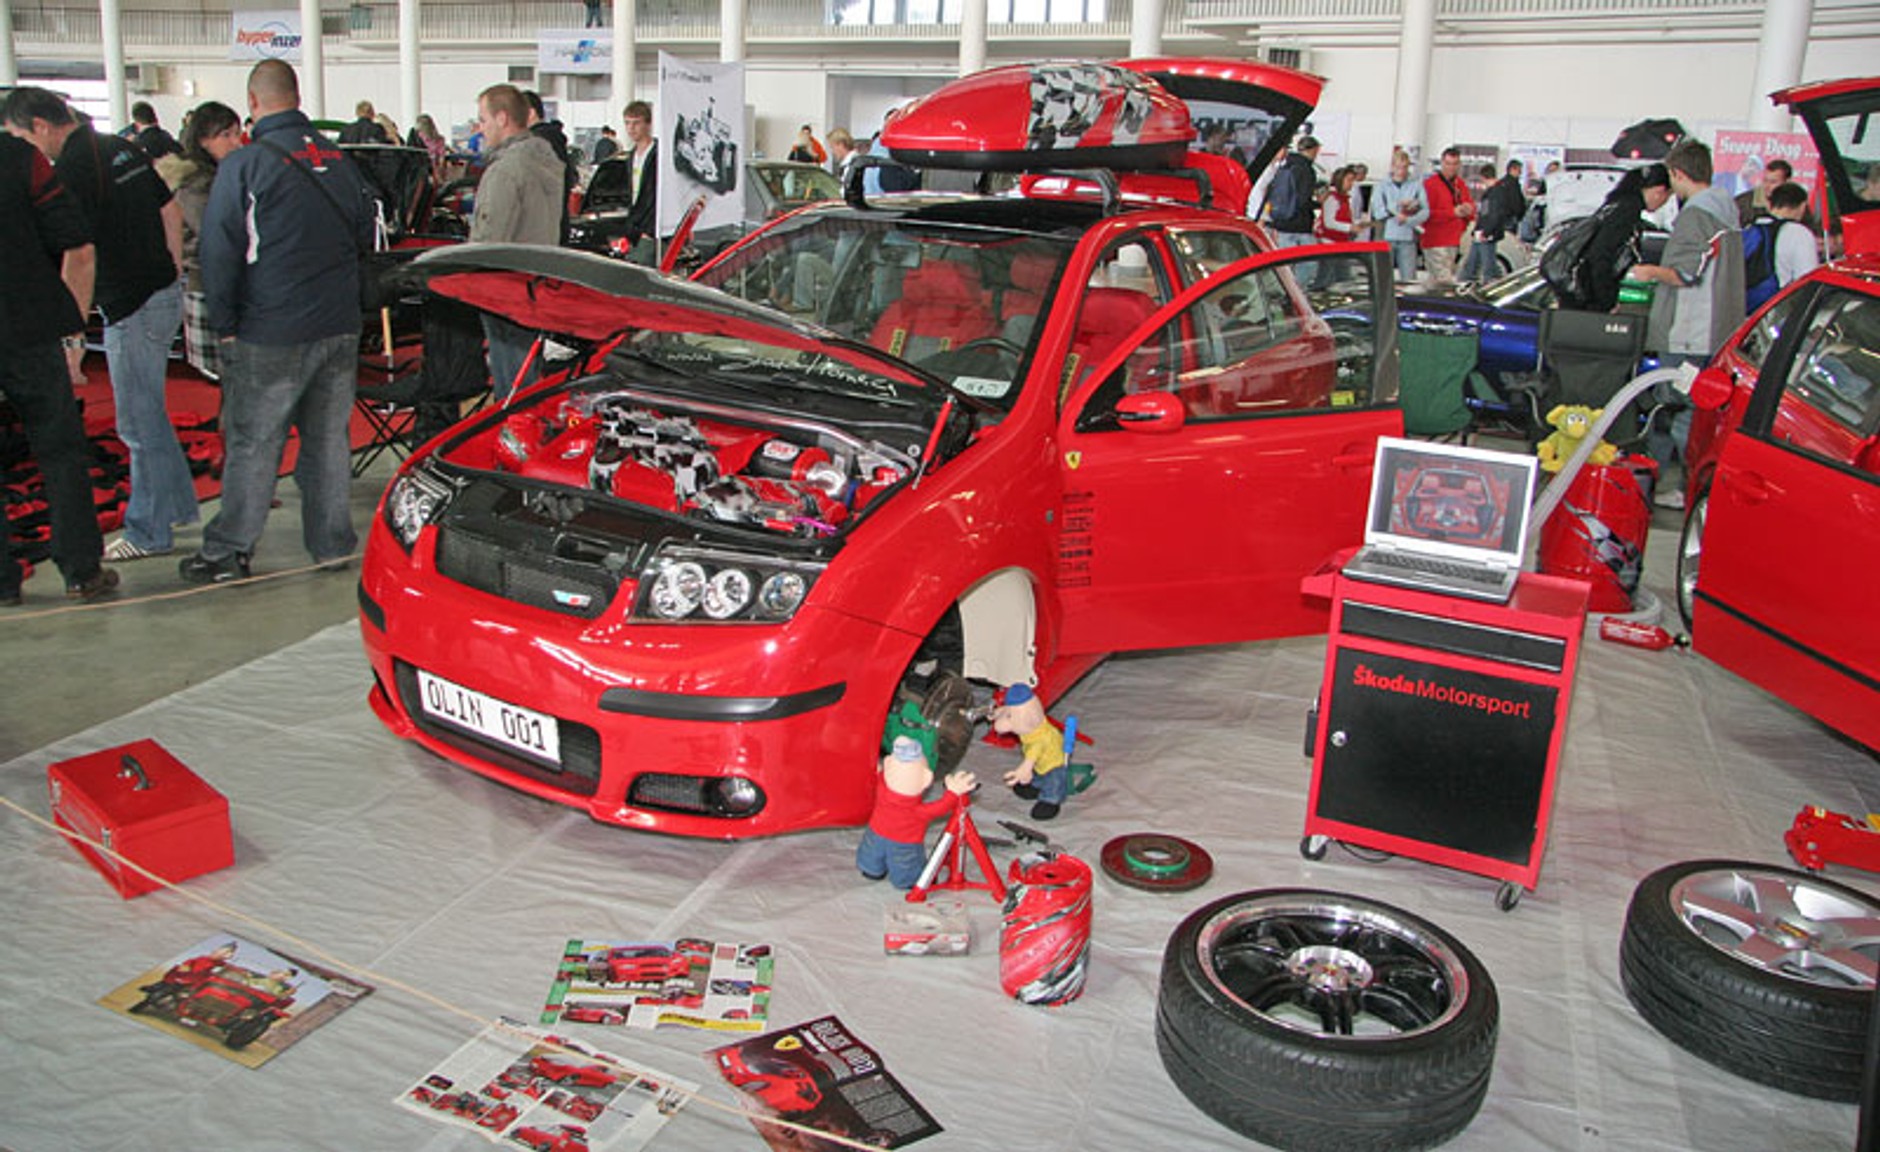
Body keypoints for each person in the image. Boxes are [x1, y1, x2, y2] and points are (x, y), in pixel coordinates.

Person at [181, 58, 375, 583]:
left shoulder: (245, 165)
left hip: (272, 329)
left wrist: (225, 322)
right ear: (297, 95)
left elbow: (220, 252)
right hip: (338, 322)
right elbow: (365, 233)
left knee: (255, 440)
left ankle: (228, 549)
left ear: (253, 102)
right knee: (330, 441)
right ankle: (332, 545)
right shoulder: (340, 158)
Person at [5, 86, 198, 564]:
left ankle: (148, 530)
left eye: (17, 136)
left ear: (41, 127)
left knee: (136, 422)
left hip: (130, 305)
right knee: (150, 412)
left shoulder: (68, 171)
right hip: (160, 293)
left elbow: (81, 257)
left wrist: (72, 335)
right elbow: (169, 210)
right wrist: (171, 271)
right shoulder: (119, 146)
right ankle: (177, 507)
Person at [0, 131, 118, 606]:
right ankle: (81, 570)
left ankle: (3, 583)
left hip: (29, 324)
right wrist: (74, 333)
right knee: (60, 451)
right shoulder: (22, 159)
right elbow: (77, 244)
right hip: (31, 326)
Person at [1628, 138, 1744, 503]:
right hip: (1716, 329)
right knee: (1697, 412)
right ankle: (1686, 485)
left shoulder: (1696, 214)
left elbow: (1684, 273)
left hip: (1688, 331)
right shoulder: (1728, 211)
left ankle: (1672, 486)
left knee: (1676, 409)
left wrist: (1648, 271)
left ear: (1679, 174)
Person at [469, 83, 566, 401]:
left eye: (482, 119)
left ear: (502, 118)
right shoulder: (546, 163)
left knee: (510, 391)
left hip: (505, 293)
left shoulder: (507, 171)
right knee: (528, 384)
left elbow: (488, 244)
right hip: (536, 289)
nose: (479, 128)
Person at [163, 101, 244, 382]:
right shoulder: (196, 183)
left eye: (238, 133)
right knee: (228, 376)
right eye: (226, 135)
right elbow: (215, 234)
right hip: (207, 284)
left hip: (225, 282)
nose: (237, 142)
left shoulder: (222, 175)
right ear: (202, 141)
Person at [856, 736, 975, 889]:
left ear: (888, 765)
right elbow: (941, 807)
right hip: (904, 844)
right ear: (927, 779)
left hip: (875, 832)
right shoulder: (917, 811)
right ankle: (908, 882)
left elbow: (877, 774)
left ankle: (871, 870)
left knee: (871, 853)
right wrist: (953, 792)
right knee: (907, 866)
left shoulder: (881, 788)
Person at [1574, 162, 1672, 314]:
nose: (1664, 202)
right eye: (1668, 196)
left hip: (1583, 291)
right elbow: (1601, 255)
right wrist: (1607, 301)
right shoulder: (1628, 209)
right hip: (1591, 297)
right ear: (1659, 191)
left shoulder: (1616, 204)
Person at [995, 683, 1070, 821]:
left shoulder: (1039, 740)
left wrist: (1021, 773)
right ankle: (1035, 786)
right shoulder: (1034, 727)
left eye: (1010, 716)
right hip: (1040, 765)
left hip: (1053, 766)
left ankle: (1050, 801)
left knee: (1053, 785)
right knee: (1038, 775)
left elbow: (1029, 762)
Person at [1419, 146, 1476, 285]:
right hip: (1436, 241)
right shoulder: (1430, 185)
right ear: (1442, 163)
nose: (1451, 168)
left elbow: (1469, 203)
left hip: (1454, 239)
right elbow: (1424, 214)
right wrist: (1452, 213)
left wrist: (1469, 209)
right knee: (1444, 282)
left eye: (1455, 164)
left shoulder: (1460, 184)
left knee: (1436, 282)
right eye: (1448, 164)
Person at [1463, 159, 1526, 283]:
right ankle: (1468, 279)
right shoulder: (1498, 190)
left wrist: (1485, 232)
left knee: (1487, 266)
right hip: (1484, 232)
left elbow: (1493, 215)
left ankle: (1488, 281)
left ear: (1483, 177)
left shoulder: (1496, 193)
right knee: (1475, 262)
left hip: (1487, 233)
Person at [1371, 148, 1428, 284]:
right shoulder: (1382, 186)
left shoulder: (1416, 185)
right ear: (1392, 167)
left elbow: (1425, 211)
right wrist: (1396, 209)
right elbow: (1377, 212)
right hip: (1385, 238)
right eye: (1398, 167)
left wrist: (1410, 217)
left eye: (1404, 167)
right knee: (1382, 279)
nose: (1401, 171)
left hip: (1407, 238)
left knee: (1409, 280)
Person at [1264, 134, 1320, 248]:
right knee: (1308, 263)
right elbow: (1303, 200)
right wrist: (1318, 204)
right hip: (1298, 225)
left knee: (1283, 260)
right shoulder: (1307, 170)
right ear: (1314, 150)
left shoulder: (1285, 165)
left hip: (1279, 220)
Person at [1766, 181, 1821, 289]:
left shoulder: (1751, 227)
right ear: (1802, 206)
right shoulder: (1799, 233)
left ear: (1770, 204)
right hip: (1778, 301)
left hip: (1746, 301)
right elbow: (1806, 279)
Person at [621, 99, 658, 250]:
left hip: (652, 229)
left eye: (636, 123)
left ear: (648, 124)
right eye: (627, 123)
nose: (631, 128)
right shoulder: (630, 157)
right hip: (634, 227)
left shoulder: (658, 154)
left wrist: (649, 230)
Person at [1315, 165, 1359, 243]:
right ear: (1340, 180)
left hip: (1340, 240)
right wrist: (1349, 228)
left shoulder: (1344, 199)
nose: (1351, 184)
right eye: (1349, 180)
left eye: (1353, 180)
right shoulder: (1331, 198)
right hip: (1328, 240)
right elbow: (1329, 223)